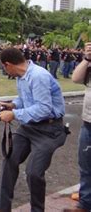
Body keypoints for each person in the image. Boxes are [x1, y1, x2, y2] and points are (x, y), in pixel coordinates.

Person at [0, 47, 67, 212]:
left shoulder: (38, 75)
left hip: (49, 129)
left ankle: (37, 210)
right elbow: (25, 98)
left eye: (4, 68)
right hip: (28, 128)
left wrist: (13, 114)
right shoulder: (22, 76)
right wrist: (12, 104)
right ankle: (3, 208)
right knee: (9, 161)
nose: (5, 71)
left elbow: (43, 109)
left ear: (8, 64)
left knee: (33, 172)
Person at [65, 42, 91, 212]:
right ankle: (85, 204)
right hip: (88, 122)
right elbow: (75, 78)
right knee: (86, 165)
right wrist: (87, 58)